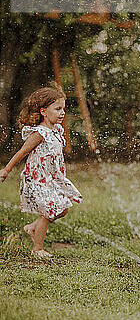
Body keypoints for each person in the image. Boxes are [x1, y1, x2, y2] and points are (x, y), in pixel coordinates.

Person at [0, 87, 82, 257]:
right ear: (44, 111)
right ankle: (37, 249)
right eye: (58, 109)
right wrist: (6, 170)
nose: (62, 113)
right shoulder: (39, 133)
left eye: (63, 109)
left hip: (52, 179)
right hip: (37, 179)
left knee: (64, 208)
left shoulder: (57, 130)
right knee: (48, 212)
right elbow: (22, 152)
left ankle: (32, 227)